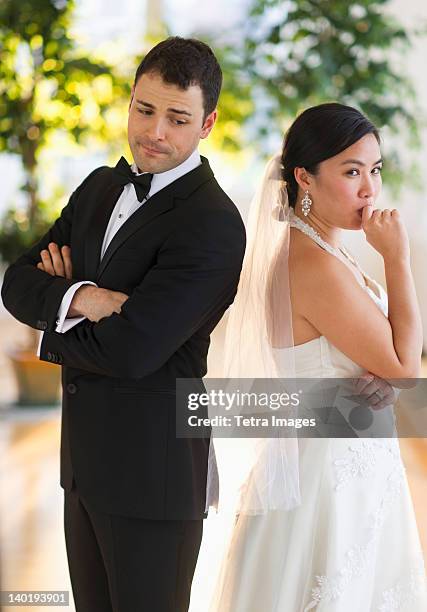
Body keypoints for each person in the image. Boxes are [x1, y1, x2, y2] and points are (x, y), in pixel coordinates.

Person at [1, 37, 246, 612]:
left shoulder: (212, 223)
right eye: (144, 109)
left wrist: (56, 304)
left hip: (151, 478)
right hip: (82, 470)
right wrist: (86, 297)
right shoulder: (98, 187)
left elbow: (134, 350)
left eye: (177, 117)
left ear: (207, 123)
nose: (154, 131)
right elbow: (16, 282)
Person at [209, 103, 426, 611]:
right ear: (305, 178)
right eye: (351, 172)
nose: (369, 188)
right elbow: (406, 365)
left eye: (374, 169)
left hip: (348, 459)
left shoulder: (323, 250)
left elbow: (380, 362)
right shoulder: (313, 264)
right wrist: (398, 258)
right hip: (328, 477)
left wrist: (386, 378)